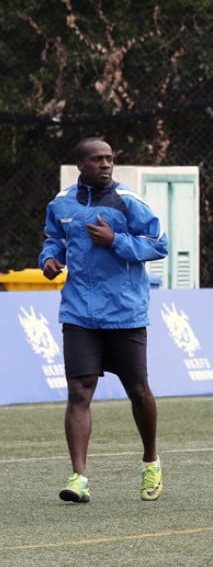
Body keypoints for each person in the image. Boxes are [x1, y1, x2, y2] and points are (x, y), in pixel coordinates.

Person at [39, 137, 169, 503]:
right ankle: (79, 477)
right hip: (79, 312)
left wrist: (116, 241)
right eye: (97, 159)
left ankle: (150, 461)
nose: (105, 164)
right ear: (81, 164)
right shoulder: (61, 203)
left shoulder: (130, 201)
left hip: (125, 311)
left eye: (109, 159)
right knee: (79, 392)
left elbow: (159, 244)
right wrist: (48, 260)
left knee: (138, 390)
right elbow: (53, 240)